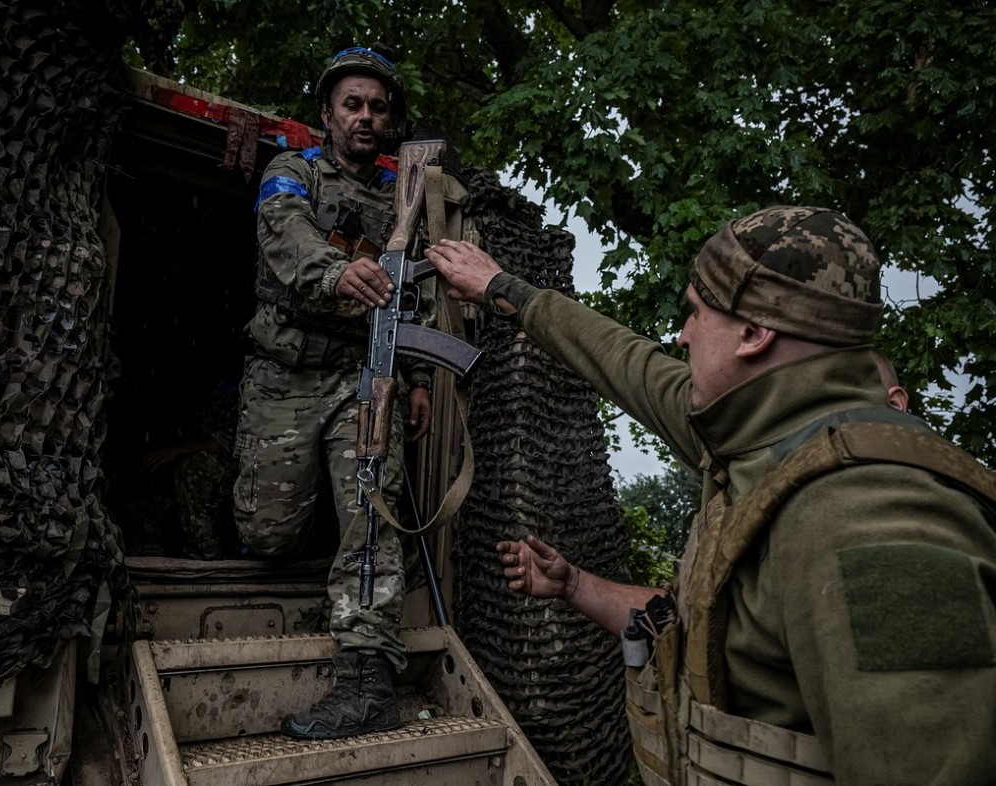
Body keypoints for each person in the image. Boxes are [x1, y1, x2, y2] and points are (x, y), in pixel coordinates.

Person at [424, 206, 996, 785]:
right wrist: (508, 291)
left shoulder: (869, 513)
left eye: (697, 315)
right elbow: (628, 364)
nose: (682, 334)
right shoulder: (755, 434)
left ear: (754, 333)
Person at [237, 46, 433, 740]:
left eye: (378, 107)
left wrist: (411, 380)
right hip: (283, 375)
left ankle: (365, 679)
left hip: (362, 375)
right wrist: (335, 271)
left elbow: (418, 303)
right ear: (327, 114)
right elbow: (283, 236)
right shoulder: (293, 173)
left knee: (372, 505)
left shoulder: (405, 198)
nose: (366, 117)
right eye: (352, 104)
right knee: (265, 533)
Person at [140, 380, 240, 560]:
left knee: (192, 470)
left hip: (236, 469)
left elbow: (227, 443)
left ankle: (204, 555)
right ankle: (148, 548)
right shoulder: (181, 395)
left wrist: (176, 452)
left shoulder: (229, 392)